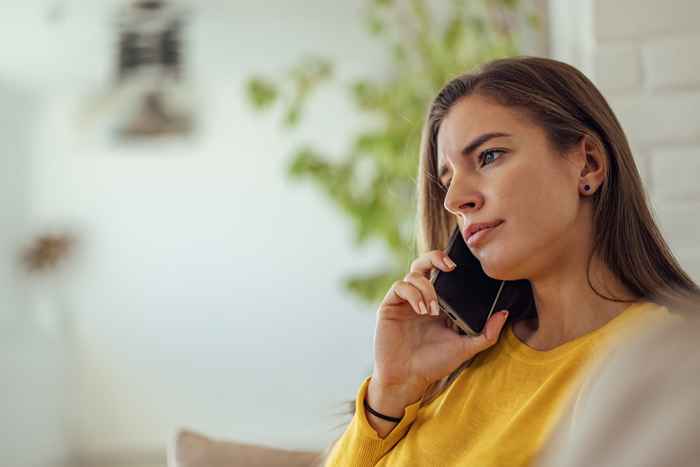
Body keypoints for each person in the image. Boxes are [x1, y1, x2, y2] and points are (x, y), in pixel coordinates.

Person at [320, 56, 700, 467]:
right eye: (446, 180)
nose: (454, 200)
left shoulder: (664, 367)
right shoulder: (454, 363)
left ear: (587, 163)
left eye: (488, 156)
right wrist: (390, 392)